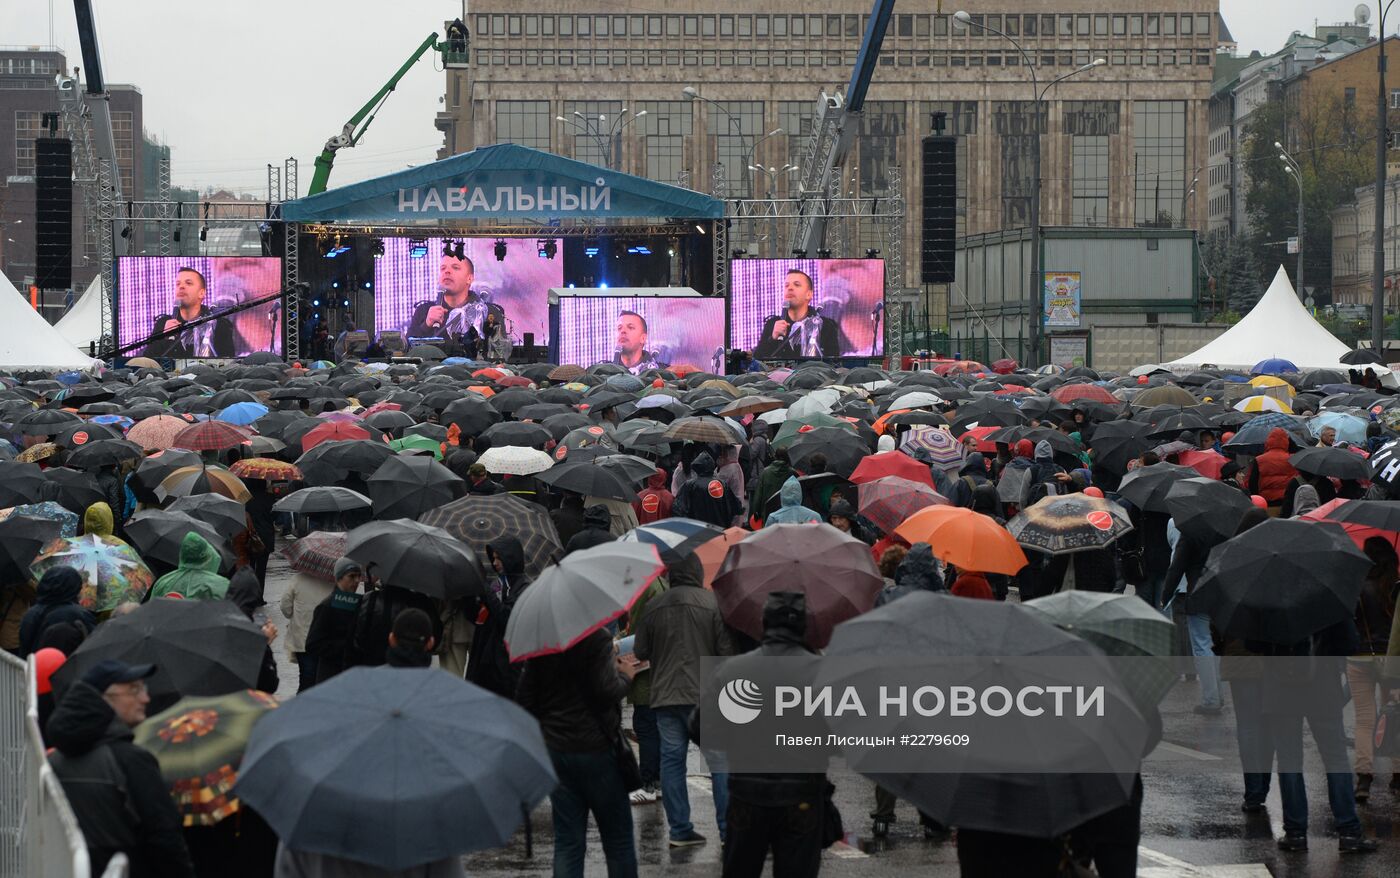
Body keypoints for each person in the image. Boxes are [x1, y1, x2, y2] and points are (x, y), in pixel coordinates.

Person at [699, 593, 835, 877]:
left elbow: (700, 726)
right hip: (803, 793)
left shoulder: (733, 669)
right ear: (804, 627)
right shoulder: (823, 673)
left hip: (747, 793)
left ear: (763, 623)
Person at [47, 660, 196, 876]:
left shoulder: (54, 760)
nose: (145, 698)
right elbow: (165, 838)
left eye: (143, 688)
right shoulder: (130, 760)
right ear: (104, 699)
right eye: (134, 690)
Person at [516, 627, 640, 877]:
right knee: (618, 842)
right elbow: (606, 691)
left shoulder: (542, 642)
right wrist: (625, 676)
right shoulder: (597, 637)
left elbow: (524, 699)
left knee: (568, 843)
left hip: (557, 751)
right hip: (598, 750)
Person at [633, 553, 735, 847]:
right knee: (719, 762)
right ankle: (728, 830)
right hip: (706, 696)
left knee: (672, 761)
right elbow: (725, 651)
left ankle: (679, 830)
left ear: (671, 575)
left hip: (665, 696)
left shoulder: (653, 607)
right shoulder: (712, 604)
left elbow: (640, 651)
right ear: (698, 573)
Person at [1352, 537, 1398, 800]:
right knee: (1395, 716)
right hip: (1391, 660)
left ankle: (1364, 777)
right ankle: (1398, 775)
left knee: (1364, 719)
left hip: (1360, 657)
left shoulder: (1358, 586)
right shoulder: (1395, 587)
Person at [465, 537, 530, 698]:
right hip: (483, 661)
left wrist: (486, 592)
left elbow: (506, 618)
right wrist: (469, 598)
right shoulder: (497, 585)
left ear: (510, 558)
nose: (494, 563)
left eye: (498, 558)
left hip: (504, 669)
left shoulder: (523, 587)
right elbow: (478, 619)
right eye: (493, 558)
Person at [405, 250, 504, 343]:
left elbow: (499, 350)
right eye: (443, 268)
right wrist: (426, 325)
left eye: (455, 267)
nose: (447, 271)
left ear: (469, 279)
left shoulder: (488, 312)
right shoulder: (424, 311)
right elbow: (407, 349)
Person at [146, 267, 235, 359]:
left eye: (188, 283)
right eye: (178, 284)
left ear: (202, 293)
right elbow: (148, 360)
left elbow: (228, 361)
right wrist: (164, 337)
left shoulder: (218, 324)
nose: (181, 286)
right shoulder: (164, 323)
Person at [303, 558, 366, 685]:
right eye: (352, 576)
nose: (357, 581)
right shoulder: (327, 606)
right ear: (339, 578)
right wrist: (346, 646)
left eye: (359, 576)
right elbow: (313, 644)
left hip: (353, 675)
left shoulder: (361, 604)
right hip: (331, 675)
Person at [752, 269, 841, 360]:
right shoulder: (773, 324)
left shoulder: (825, 325)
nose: (789, 288)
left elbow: (834, 362)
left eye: (796, 285)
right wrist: (773, 339)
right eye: (786, 285)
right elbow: (758, 362)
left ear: (809, 294)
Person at [278, 560, 334, 692]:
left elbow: (285, 607)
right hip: (325, 639)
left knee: (306, 679)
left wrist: (295, 617)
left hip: (303, 639)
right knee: (324, 679)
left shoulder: (298, 579)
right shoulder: (334, 581)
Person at [18, 566, 95, 658]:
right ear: (75, 587)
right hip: (66, 669)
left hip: (31, 668)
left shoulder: (31, 612)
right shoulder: (78, 614)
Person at [149, 532, 230, 601]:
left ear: (182, 554)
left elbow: (150, 613)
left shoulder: (163, 582)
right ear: (208, 555)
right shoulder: (220, 585)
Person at [672, 452, 742, 528]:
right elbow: (736, 506)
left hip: (698, 529)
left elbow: (678, 508)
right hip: (720, 529)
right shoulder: (722, 484)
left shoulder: (690, 485)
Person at [1245, 427, 1297, 514]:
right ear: (1286, 441)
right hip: (1287, 504)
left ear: (1268, 441)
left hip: (1266, 503)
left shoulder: (1259, 460)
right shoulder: (1292, 459)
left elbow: (1252, 483)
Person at [750, 447, 796, 527]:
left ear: (775, 456)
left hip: (767, 512)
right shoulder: (792, 473)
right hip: (786, 512)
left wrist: (755, 511)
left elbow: (758, 494)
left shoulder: (765, 472)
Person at [612, 310, 666, 375]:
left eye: (630, 327)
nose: (622, 331)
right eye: (619, 328)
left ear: (643, 338)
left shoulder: (661, 372)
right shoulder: (603, 372)